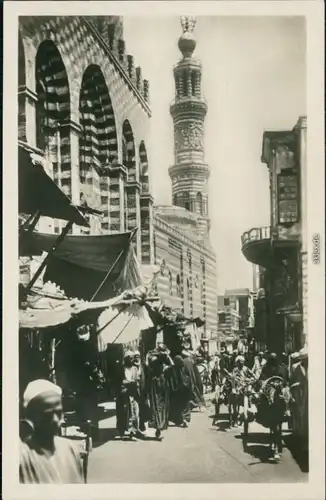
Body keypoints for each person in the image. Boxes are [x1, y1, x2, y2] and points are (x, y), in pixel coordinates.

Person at [19, 379, 83, 484]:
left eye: (58, 412)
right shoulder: (22, 457)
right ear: (31, 416)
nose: (55, 420)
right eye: (47, 415)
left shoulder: (70, 449)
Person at [146, 345, 173, 440]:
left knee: (161, 404)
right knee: (157, 404)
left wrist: (166, 356)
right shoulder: (153, 358)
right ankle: (158, 426)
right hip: (157, 382)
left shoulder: (158, 359)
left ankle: (159, 426)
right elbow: (149, 366)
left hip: (160, 382)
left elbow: (172, 364)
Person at [115, 350, 142, 440]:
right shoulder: (121, 368)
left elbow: (138, 379)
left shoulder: (135, 368)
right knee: (123, 413)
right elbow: (118, 381)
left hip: (133, 393)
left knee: (134, 412)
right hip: (123, 394)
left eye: (132, 358)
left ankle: (133, 430)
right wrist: (126, 382)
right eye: (129, 358)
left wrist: (135, 382)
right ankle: (122, 430)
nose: (131, 360)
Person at [169, 355, 192, 428]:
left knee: (178, 406)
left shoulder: (173, 370)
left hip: (177, 392)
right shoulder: (184, 369)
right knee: (185, 406)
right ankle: (184, 419)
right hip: (185, 391)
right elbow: (189, 380)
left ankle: (180, 419)